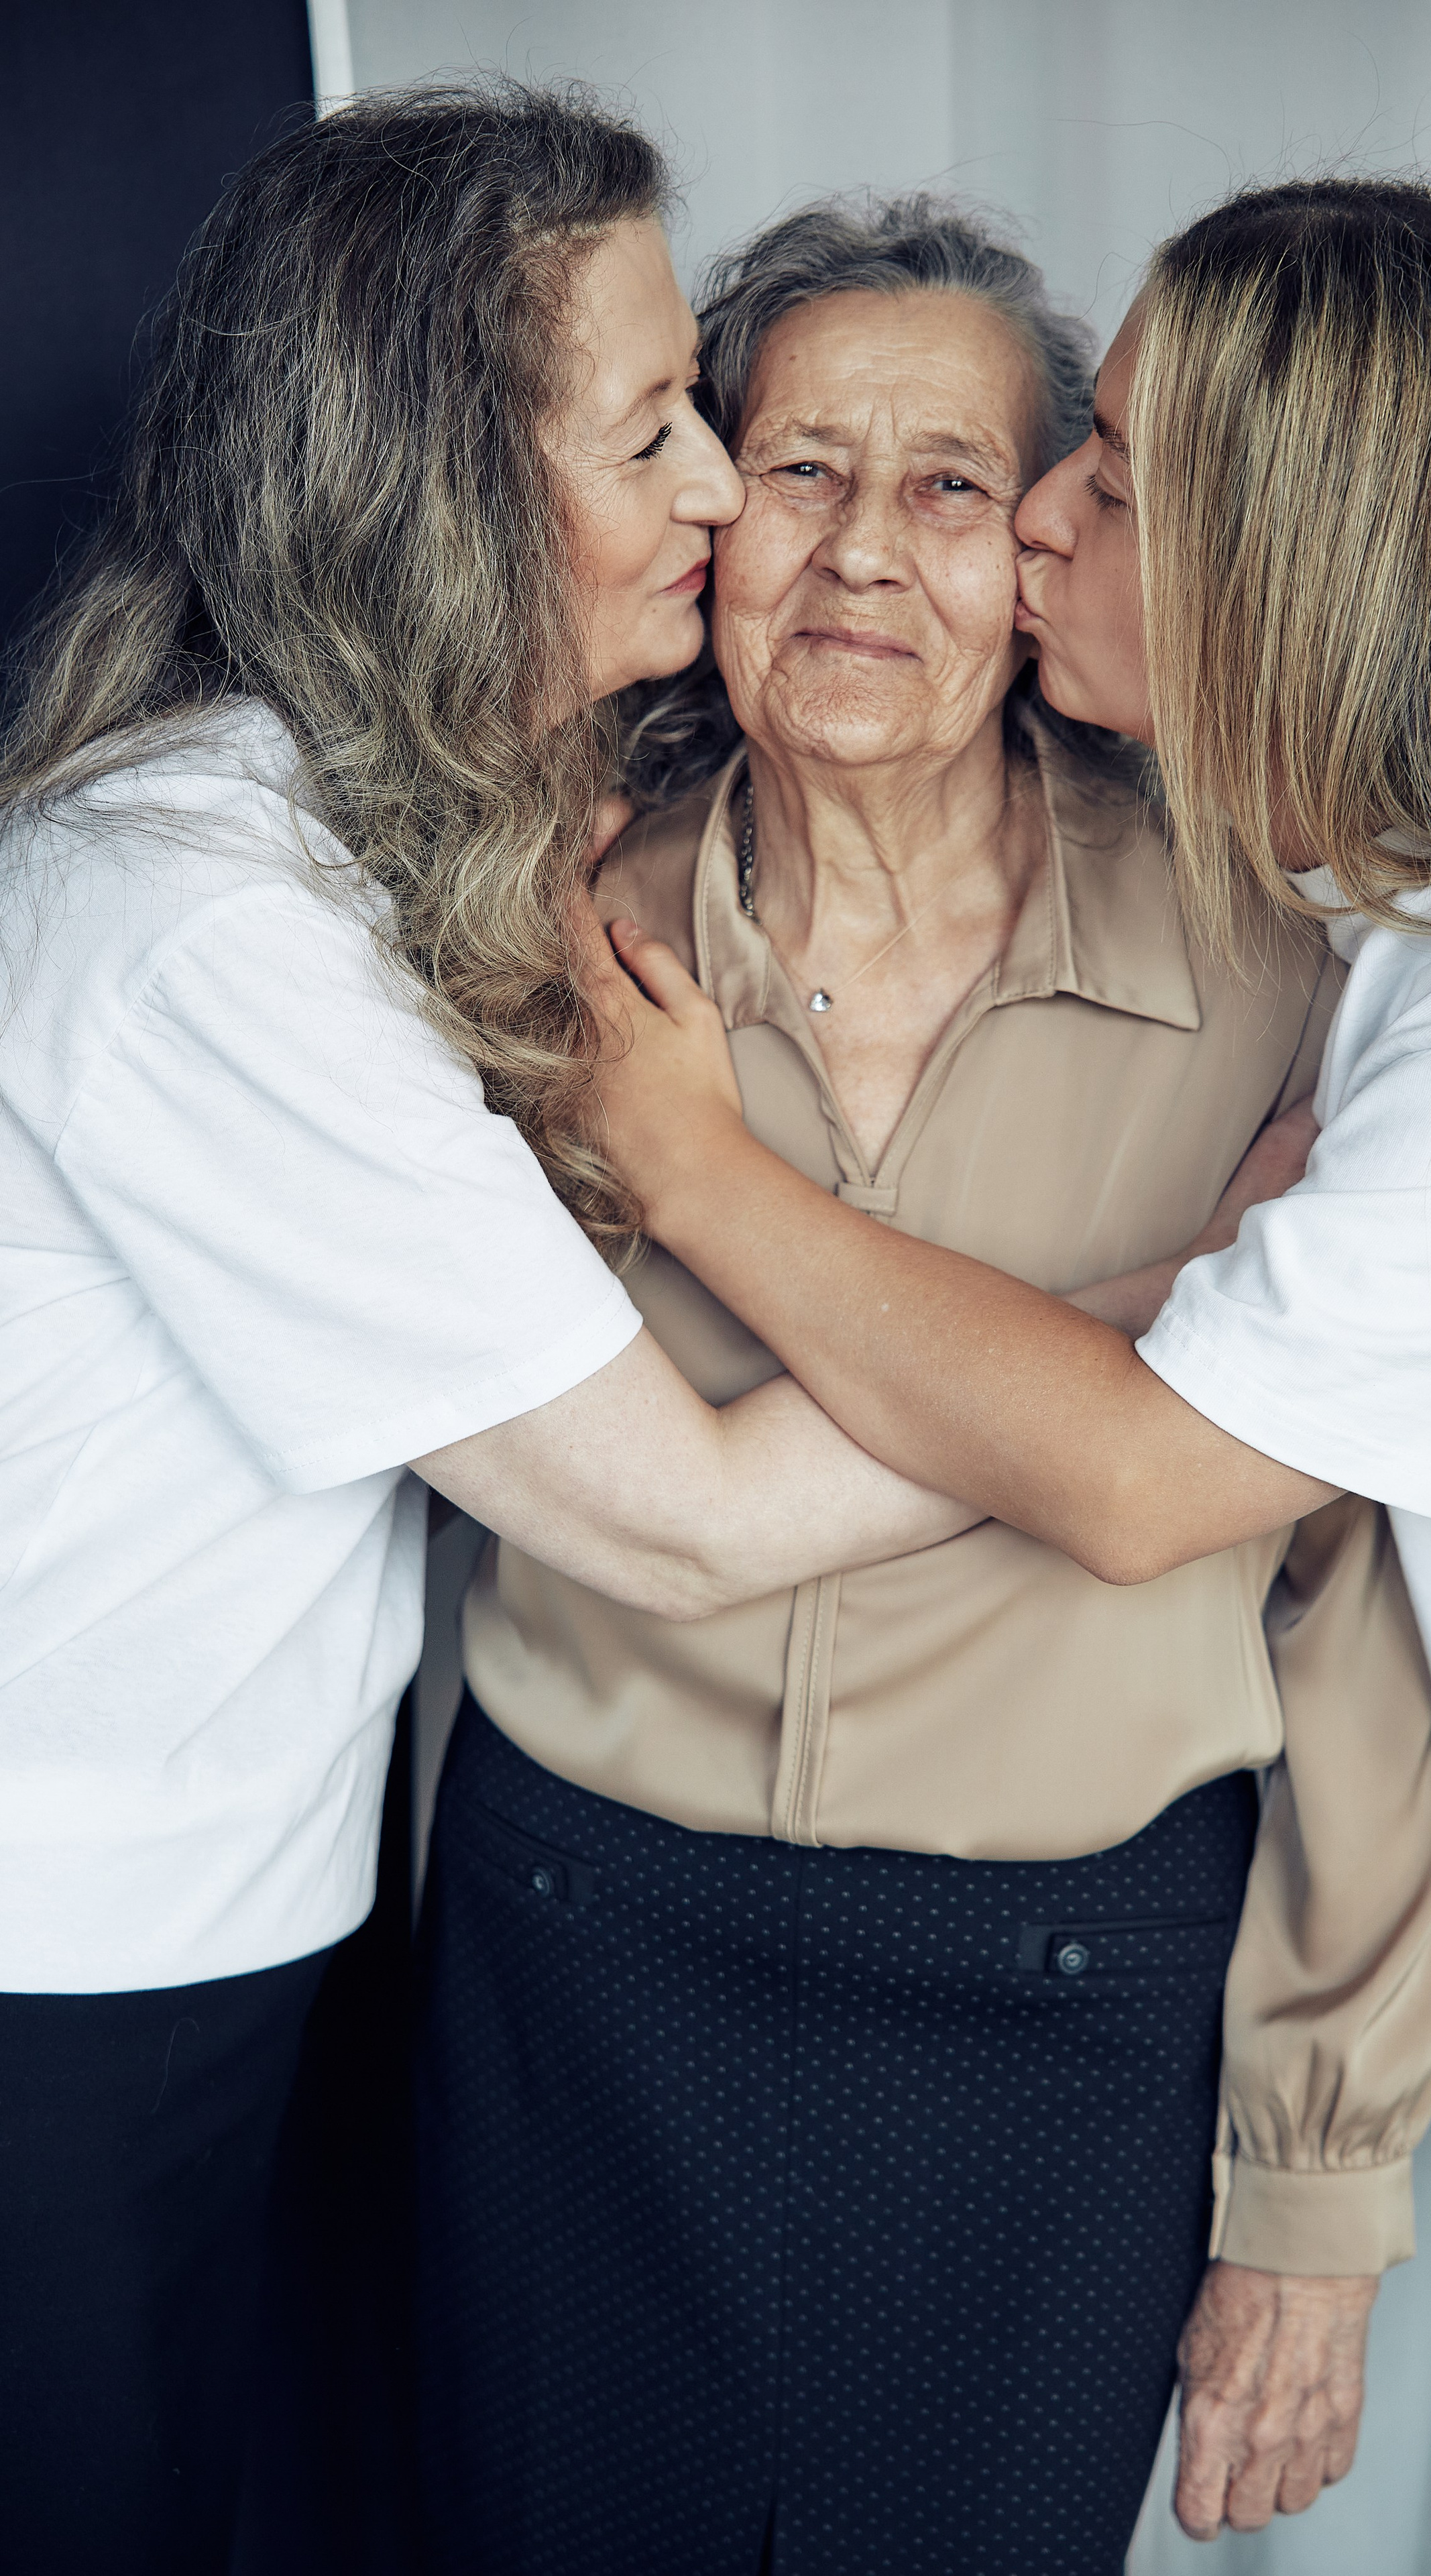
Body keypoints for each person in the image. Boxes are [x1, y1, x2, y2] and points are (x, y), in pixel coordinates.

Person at [595, 173, 1431, 2534]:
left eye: (1074, 482)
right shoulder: (1428, 949)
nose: (1011, 543)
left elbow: (1171, 1496)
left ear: (1311, 558)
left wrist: (692, 1175)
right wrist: (1183, 1288)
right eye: (799, 470)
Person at [415, 197, 1431, 2576]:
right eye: (797, 471)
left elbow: (1365, 1608)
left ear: (1053, 561)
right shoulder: (538, 933)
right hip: (578, 1962)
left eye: (951, 488)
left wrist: (1319, 2172)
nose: (861, 555)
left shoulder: (1279, 975)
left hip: (1075, 2003)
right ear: (706, 517)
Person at [0, 86, 1007, 2574]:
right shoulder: (199, 916)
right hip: (73, 1997)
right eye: (653, 425)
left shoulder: (325, 841)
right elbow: (686, 1522)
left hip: (258, 1924)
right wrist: (1207, 1339)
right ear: (441, 486)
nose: (717, 492)